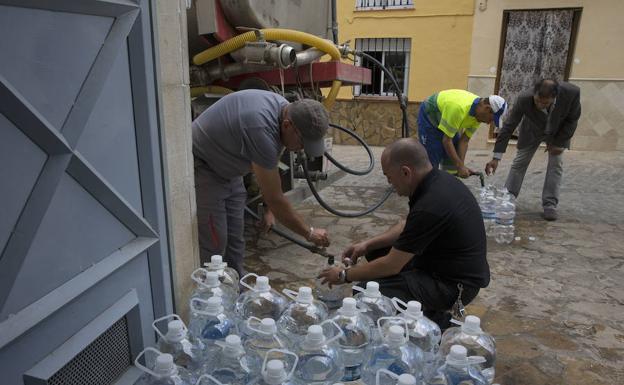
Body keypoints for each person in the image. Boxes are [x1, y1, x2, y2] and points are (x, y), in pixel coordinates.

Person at [318, 138, 490, 328]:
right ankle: (416, 306)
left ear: (406, 173)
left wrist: (344, 275)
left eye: (389, 177)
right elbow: (407, 226)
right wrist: (367, 245)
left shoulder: (431, 204)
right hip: (442, 265)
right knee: (376, 253)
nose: (390, 183)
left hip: (453, 285)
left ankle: (437, 325)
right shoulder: (436, 181)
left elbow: (392, 265)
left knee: (366, 292)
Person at [193, 89, 330, 275]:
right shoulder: (260, 127)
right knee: (215, 242)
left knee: (235, 241)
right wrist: (309, 232)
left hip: (230, 169)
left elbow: (270, 168)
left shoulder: (285, 111)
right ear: (288, 125)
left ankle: (237, 291)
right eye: (302, 143)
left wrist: (268, 209)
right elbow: (275, 197)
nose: (301, 150)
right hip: (204, 167)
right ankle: (212, 296)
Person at [485, 79, 581, 221]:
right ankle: (509, 197)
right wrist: (496, 157)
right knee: (519, 162)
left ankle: (550, 204)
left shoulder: (572, 93)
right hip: (532, 129)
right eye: (537, 101)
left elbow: (573, 119)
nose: (540, 105)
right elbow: (509, 127)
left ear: (555, 98)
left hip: (559, 131)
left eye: (545, 103)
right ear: (534, 94)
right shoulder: (524, 98)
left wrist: (558, 143)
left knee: (556, 165)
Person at [418, 89, 507, 178]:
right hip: (430, 114)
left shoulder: (478, 116)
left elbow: (464, 141)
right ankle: (429, 187)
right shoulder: (459, 108)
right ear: (487, 109)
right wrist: (460, 166)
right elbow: (447, 140)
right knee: (431, 159)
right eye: (491, 119)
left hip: (448, 116)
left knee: (453, 159)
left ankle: (448, 185)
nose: (488, 123)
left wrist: (461, 166)